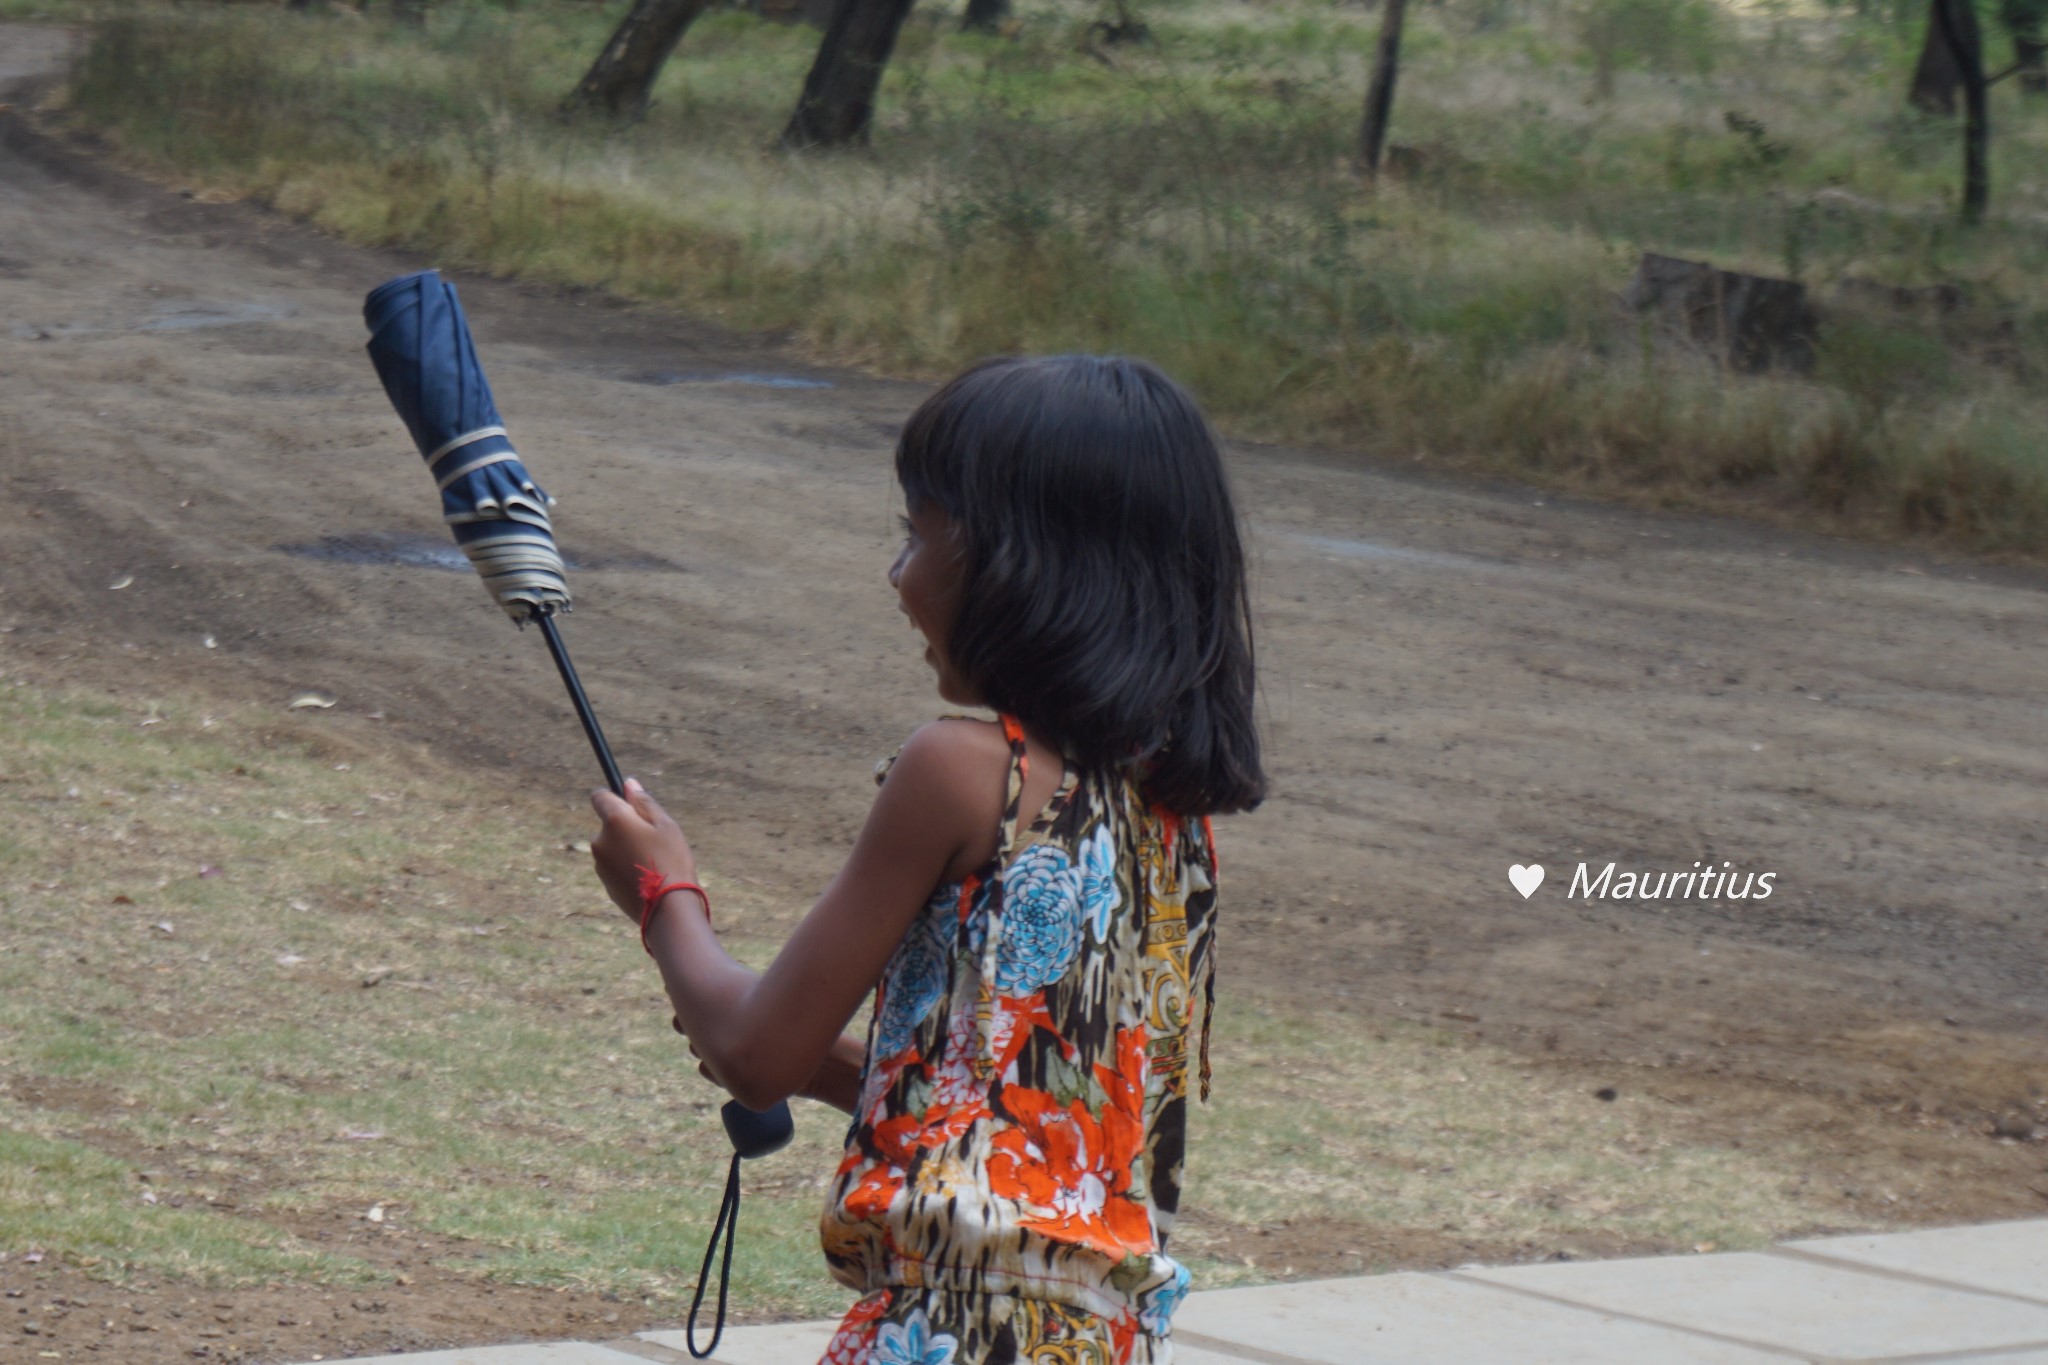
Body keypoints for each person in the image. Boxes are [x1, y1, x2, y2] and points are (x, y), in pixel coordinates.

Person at [588, 354, 1266, 1364]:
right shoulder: (1171, 824)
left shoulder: (958, 771)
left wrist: (661, 894)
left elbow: (751, 1052)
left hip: (948, 1328)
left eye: (916, 534)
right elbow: (1036, 1121)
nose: (897, 573)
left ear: (1019, 562)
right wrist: (842, 1071)